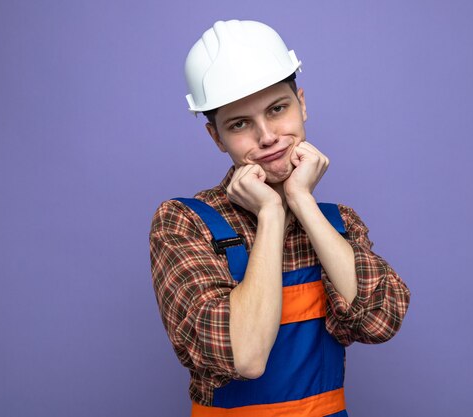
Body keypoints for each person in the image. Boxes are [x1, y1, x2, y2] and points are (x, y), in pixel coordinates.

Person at [150, 19, 410, 417]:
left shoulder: (337, 224)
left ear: (301, 103)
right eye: (240, 124)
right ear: (216, 138)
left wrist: (301, 201)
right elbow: (246, 358)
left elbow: (379, 321)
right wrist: (271, 215)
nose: (267, 135)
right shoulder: (184, 223)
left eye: (277, 109)